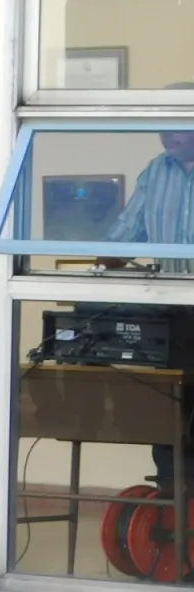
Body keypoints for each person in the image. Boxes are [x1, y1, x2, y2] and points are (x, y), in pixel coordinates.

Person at [104, 115, 194, 487]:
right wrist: (91, 258)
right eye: (162, 126)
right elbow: (124, 237)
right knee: (170, 412)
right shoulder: (156, 172)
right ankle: (173, 503)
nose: (166, 134)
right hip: (171, 312)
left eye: (176, 124)